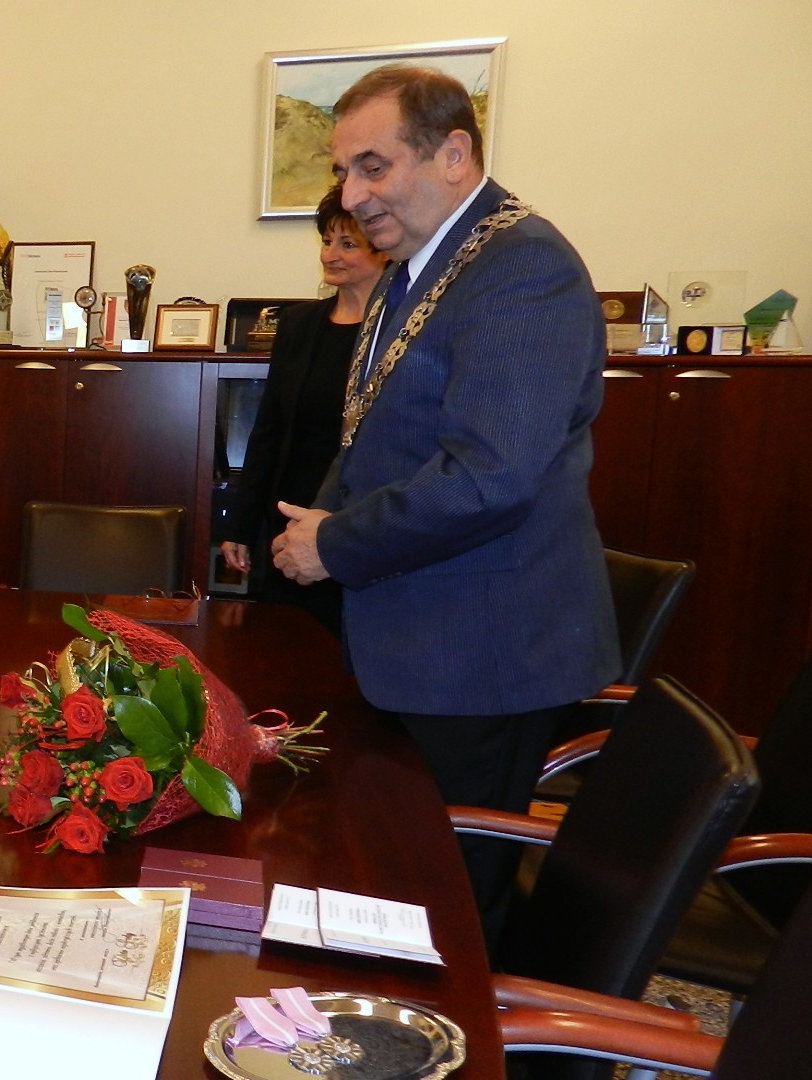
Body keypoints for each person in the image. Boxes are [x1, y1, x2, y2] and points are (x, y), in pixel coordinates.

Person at [270, 65, 620, 937]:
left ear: (454, 154)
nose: (352, 196)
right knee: (387, 872)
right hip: (412, 633)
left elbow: (487, 476)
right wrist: (317, 522)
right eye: (343, 172)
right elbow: (371, 430)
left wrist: (337, 544)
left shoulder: (522, 267)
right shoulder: (418, 269)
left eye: (374, 167)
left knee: (445, 909)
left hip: (478, 652)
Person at [220, 186, 390, 634]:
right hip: (288, 524)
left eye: (347, 244)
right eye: (327, 241)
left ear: (384, 250)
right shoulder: (298, 325)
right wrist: (240, 524)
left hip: (361, 528)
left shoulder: (400, 331)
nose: (330, 254)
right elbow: (268, 431)